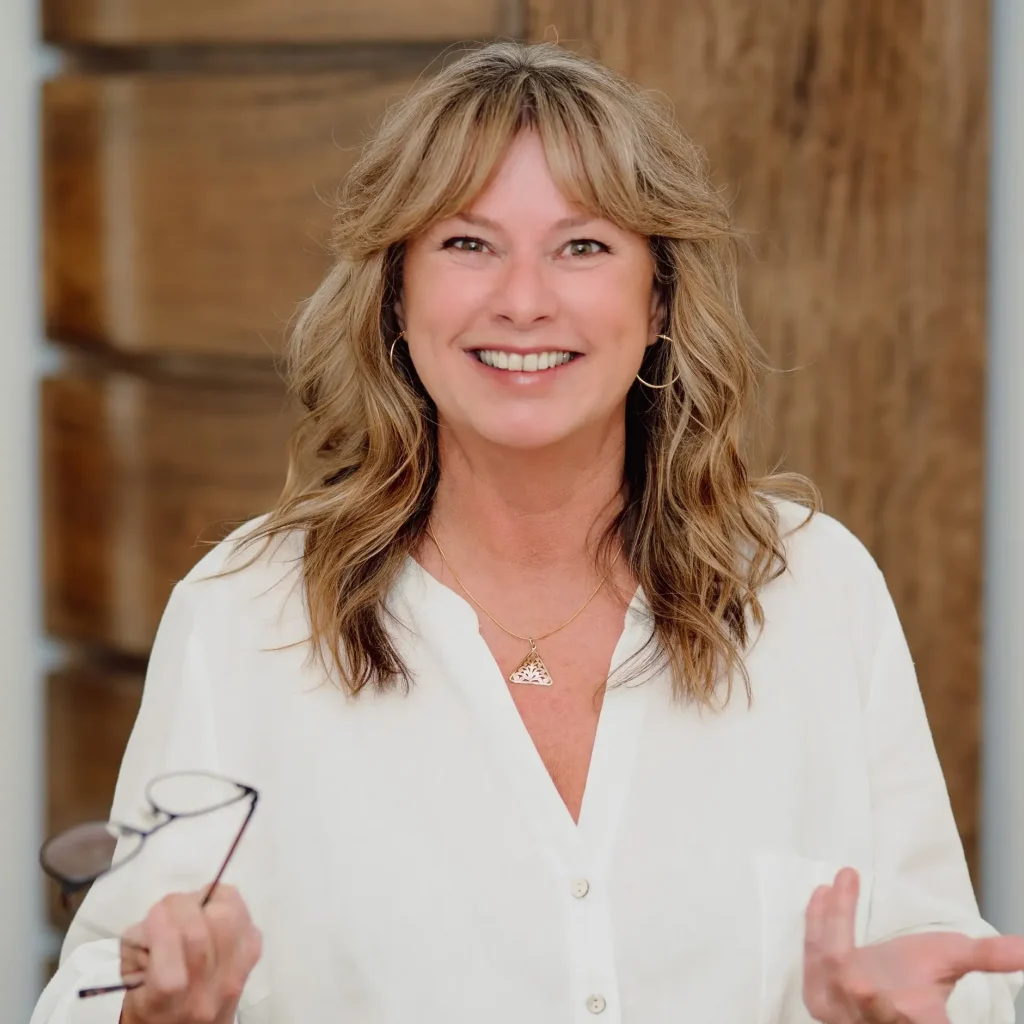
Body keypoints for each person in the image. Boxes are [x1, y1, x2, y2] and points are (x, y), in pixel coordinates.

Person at [31, 40, 1024, 1024]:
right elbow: (98, 990)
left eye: (582, 245)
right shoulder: (243, 615)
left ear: (659, 299)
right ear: (395, 295)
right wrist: (150, 1017)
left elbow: (945, 976)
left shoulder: (816, 590)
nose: (522, 299)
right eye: (467, 243)